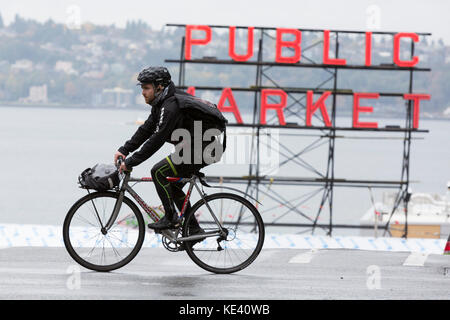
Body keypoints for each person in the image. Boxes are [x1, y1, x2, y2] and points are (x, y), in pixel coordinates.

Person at [114, 66, 224, 231]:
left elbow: (157, 138)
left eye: (146, 88)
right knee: (171, 187)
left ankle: (171, 218)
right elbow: (147, 129)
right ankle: (193, 228)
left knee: (158, 172)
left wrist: (131, 162)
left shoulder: (171, 106)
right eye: (142, 88)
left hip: (203, 149)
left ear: (159, 87)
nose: (143, 92)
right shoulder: (161, 103)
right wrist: (124, 149)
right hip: (197, 147)